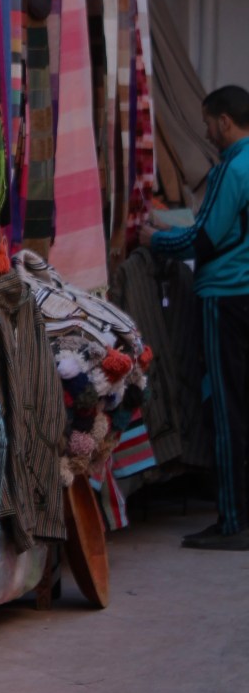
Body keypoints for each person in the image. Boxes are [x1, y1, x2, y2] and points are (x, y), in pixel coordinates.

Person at [140, 85, 249, 549]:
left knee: (227, 410)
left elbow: (203, 241)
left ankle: (232, 523)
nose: (206, 130)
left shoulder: (233, 168)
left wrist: (153, 240)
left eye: (207, 122)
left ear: (225, 121)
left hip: (227, 296)